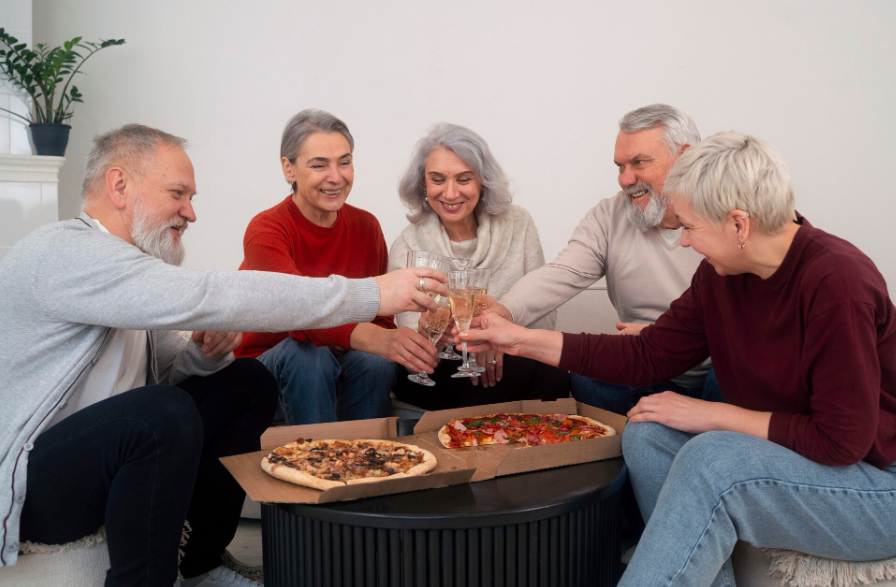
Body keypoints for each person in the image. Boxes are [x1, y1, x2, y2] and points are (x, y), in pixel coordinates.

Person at [0, 124, 445, 586]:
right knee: (159, 412)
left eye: (191, 197)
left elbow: (170, 369)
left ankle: (200, 565)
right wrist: (371, 294)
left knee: (246, 382)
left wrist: (204, 355)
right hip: (35, 488)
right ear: (119, 186)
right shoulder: (64, 252)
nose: (190, 212)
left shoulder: (132, 269)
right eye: (177, 194)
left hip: (105, 462)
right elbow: (211, 292)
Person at [462, 131, 896, 587]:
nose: (685, 242)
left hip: (874, 486)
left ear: (738, 224)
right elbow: (648, 355)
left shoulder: (837, 283)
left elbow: (841, 443)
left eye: (690, 227)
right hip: (801, 463)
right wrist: (519, 339)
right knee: (648, 432)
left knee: (712, 456)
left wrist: (711, 415)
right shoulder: (722, 276)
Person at [489, 104, 721, 415]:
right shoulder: (608, 215)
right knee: (586, 377)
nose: (625, 180)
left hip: (713, 375)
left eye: (639, 162)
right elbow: (561, 272)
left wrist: (665, 338)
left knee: (728, 375)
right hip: (645, 369)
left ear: (685, 157)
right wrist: (504, 310)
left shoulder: (728, 220)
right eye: (620, 166)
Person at [235, 109, 431, 425]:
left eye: (344, 161)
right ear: (289, 168)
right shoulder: (266, 229)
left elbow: (380, 320)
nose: (336, 176)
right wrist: (376, 339)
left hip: (335, 362)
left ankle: (366, 464)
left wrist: (398, 342)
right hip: (265, 373)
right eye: (319, 165)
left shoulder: (366, 226)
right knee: (307, 354)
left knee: (377, 363)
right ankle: (317, 463)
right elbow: (299, 316)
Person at [388, 122, 569, 410]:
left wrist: (495, 340)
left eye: (463, 179)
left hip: (512, 357)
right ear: (423, 184)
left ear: (482, 181)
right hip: (446, 369)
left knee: (553, 373)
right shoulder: (408, 245)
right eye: (437, 179)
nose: (450, 193)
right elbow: (415, 344)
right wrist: (450, 340)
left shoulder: (518, 224)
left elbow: (544, 316)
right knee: (425, 376)